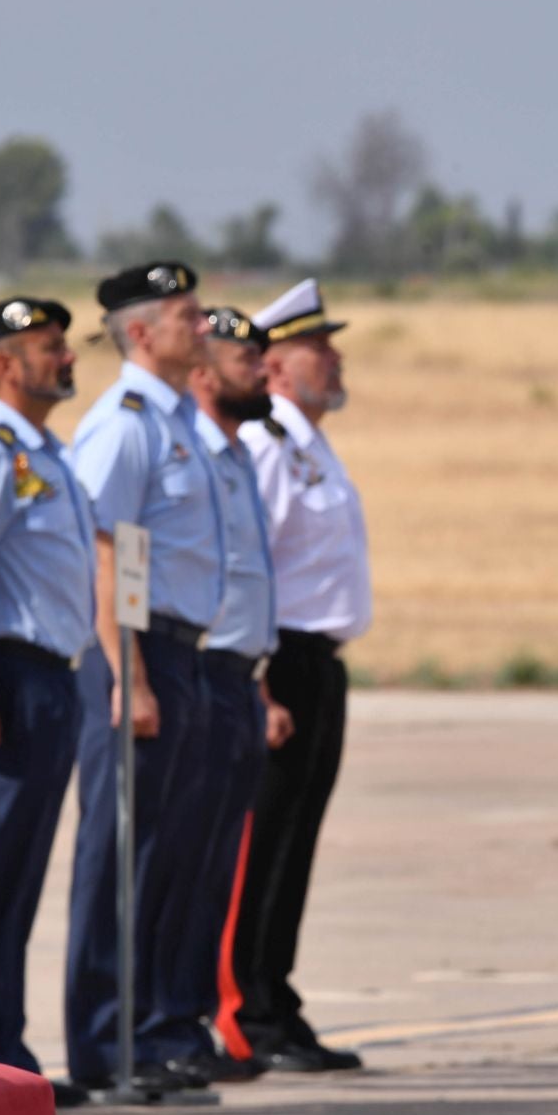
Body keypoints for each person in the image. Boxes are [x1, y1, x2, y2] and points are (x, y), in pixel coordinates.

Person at [63, 261, 225, 1093]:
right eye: (187, 316)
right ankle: (102, 1045)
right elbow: (102, 552)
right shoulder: (125, 423)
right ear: (140, 332)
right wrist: (129, 672)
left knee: (166, 856)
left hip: (182, 648)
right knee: (120, 852)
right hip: (139, 651)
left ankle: (152, 1032)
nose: (203, 328)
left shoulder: (177, 419)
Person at [0, 295, 96, 1106]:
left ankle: (5, 1043)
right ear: (6, 364)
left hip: (53, 676)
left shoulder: (46, 450)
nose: (66, 358)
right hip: (8, 674)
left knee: (23, 872)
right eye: (49, 347)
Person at [217, 277, 369, 1073]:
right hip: (276, 658)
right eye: (317, 346)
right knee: (258, 846)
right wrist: (259, 682)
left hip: (317, 662)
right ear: (273, 366)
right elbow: (249, 568)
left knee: (293, 845)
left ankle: (275, 997)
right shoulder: (265, 446)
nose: (334, 357)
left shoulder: (305, 442)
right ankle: (243, 1010)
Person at [143, 305, 287, 1084]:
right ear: (202, 374)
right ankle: (158, 1022)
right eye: (244, 360)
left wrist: (259, 684)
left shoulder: (231, 457)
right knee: (176, 858)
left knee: (209, 866)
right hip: (194, 667)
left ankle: (187, 1021)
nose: (262, 371)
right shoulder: (189, 451)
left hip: (234, 676)